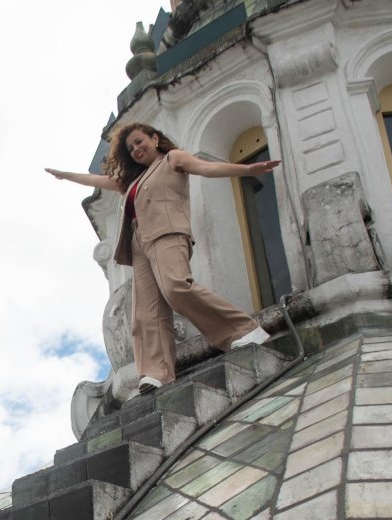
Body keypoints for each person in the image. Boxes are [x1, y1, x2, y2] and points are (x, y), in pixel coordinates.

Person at [46, 122, 281, 393]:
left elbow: (206, 167)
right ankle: (157, 372)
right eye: (130, 147)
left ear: (155, 139)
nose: (135, 149)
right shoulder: (132, 181)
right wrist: (66, 175)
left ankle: (243, 330)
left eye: (139, 141)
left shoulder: (172, 158)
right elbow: (101, 181)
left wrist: (245, 169)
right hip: (138, 245)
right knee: (146, 313)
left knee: (176, 287)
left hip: (167, 232)